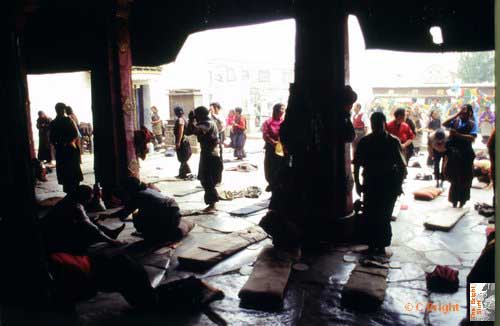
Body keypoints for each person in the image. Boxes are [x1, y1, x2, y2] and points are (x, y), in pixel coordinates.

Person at [353, 112, 407, 256]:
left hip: (388, 183)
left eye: (378, 123)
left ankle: (382, 245)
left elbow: (402, 167)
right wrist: (357, 183)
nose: (376, 126)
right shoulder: (365, 141)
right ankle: (371, 245)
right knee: (370, 214)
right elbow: (357, 165)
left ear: (384, 123)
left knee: (384, 215)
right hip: (370, 182)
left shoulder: (393, 141)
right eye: (373, 123)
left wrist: (399, 185)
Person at [41, 185, 125, 255]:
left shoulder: (66, 200)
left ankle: (110, 233)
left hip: (49, 236)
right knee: (89, 227)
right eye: (89, 198)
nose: (89, 201)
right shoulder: (76, 206)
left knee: (90, 221)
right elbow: (92, 228)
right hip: (57, 243)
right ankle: (110, 236)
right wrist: (111, 241)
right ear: (83, 197)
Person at [101, 177, 182, 241]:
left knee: (137, 216)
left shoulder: (139, 196)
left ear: (129, 188)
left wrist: (108, 216)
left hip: (170, 219)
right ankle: (164, 232)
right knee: (144, 211)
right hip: (175, 215)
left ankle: (154, 234)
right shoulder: (147, 190)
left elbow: (124, 212)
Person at [185, 106, 223, 213]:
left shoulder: (207, 123)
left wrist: (191, 120)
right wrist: (191, 120)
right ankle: (212, 202)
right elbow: (188, 132)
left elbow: (193, 130)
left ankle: (212, 204)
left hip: (211, 154)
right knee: (205, 179)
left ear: (201, 115)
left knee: (207, 179)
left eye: (197, 115)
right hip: (207, 153)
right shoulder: (205, 122)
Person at [442, 104, 477, 208]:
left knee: (465, 178)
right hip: (454, 153)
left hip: (466, 153)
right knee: (454, 177)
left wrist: (458, 135)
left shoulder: (472, 124)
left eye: (465, 111)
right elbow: (444, 123)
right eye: (461, 111)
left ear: (470, 112)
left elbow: (472, 137)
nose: (463, 112)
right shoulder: (455, 121)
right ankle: (454, 201)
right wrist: (457, 113)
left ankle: (462, 201)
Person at [50, 102, 83, 194]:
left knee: (65, 171)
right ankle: (74, 191)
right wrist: (68, 142)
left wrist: (58, 145)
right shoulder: (68, 120)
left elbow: (52, 139)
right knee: (72, 170)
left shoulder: (53, 123)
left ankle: (69, 192)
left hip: (61, 150)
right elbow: (76, 134)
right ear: (63, 110)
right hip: (70, 148)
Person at [262, 103, 286, 192]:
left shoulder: (284, 122)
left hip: (281, 148)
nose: (283, 111)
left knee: (279, 166)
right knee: (270, 167)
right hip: (271, 148)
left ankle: (277, 185)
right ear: (275, 110)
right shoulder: (268, 122)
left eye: (284, 109)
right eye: (281, 109)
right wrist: (273, 143)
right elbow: (265, 135)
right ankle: (271, 183)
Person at [173, 106, 192, 179]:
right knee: (182, 157)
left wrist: (178, 142)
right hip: (183, 140)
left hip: (182, 140)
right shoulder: (184, 118)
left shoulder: (181, 120)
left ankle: (183, 174)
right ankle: (183, 173)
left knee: (183, 157)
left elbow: (180, 131)